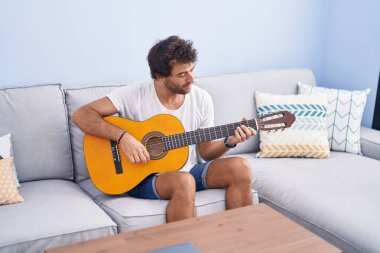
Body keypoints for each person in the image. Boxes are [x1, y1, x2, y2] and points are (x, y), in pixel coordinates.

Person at [72, 35, 257, 222]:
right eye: (182, 74)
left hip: (189, 170)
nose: (191, 79)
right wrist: (123, 137)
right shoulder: (135, 94)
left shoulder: (201, 99)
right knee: (184, 181)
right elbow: (81, 115)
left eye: (192, 70)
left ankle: (242, 242)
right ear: (160, 76)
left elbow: (206, 152)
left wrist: (228, 142)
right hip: (141, 177)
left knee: (240, 167)